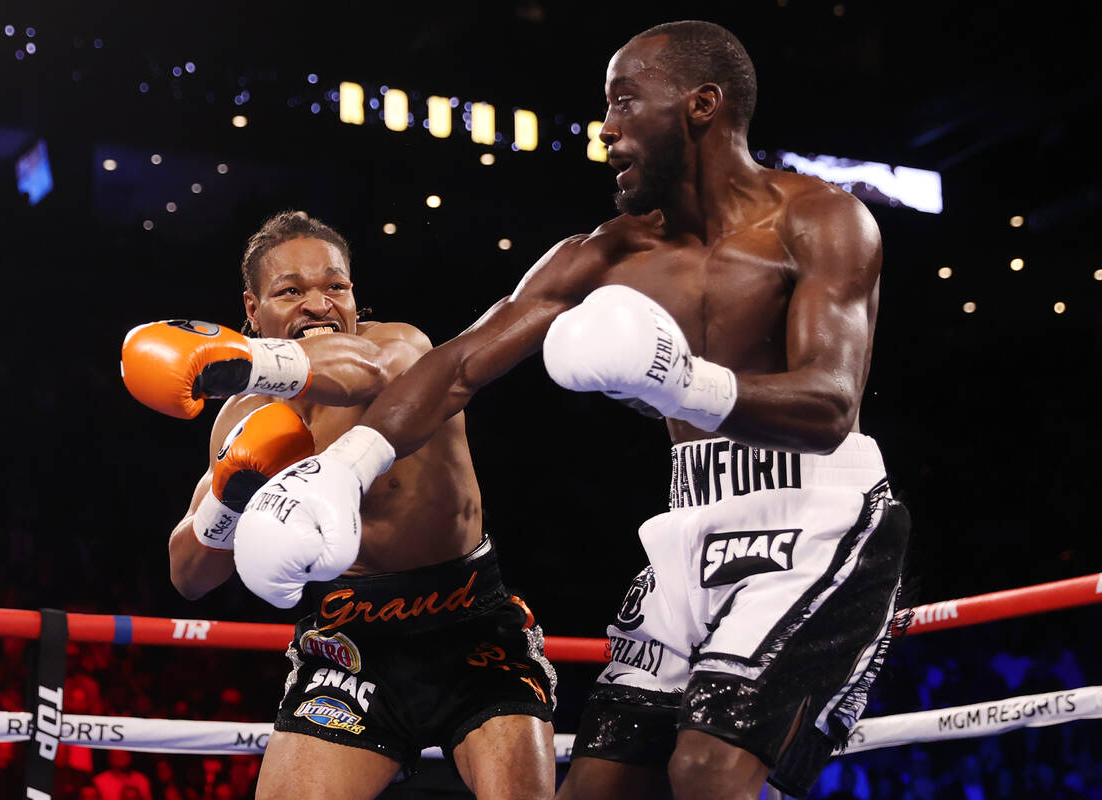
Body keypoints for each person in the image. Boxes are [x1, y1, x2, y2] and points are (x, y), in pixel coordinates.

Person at [244, 21, 910, 800]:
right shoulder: (606, 252)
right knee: (593, 789)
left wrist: (678, 379)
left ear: (702, 106)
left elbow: (831, 403)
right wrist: (343, 470)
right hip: (690, 525)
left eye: (625, 102)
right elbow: (458, 364)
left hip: (820, 514)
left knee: (707, 772)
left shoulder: (820, 220)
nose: (607, 128)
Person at [120, 212, 556, 800]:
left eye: (335, 286)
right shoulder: (241, 417)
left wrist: (250, 362)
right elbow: (189, 575)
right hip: (348, 648)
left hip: (471, 631)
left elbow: (376, 370)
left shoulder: (397, 346)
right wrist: (230, 494)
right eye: (291, 290)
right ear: (252, 309)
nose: (318, 303)